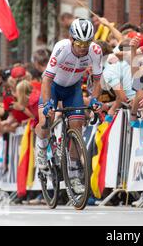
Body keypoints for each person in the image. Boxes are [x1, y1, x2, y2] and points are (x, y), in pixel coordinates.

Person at [35, 18, 103, 195]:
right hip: (53, 86)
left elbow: (97, 80)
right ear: (71, 38)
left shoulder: (95, 51)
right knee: (46, 120)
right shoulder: (61, 48)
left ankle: (73, 172)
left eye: (86, 43)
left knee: (77, 127)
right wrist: (49, 103)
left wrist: (95, 100)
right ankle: (41, 147)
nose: (83, 47)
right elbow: (46, 79)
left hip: (73, 89)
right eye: (79, 42)